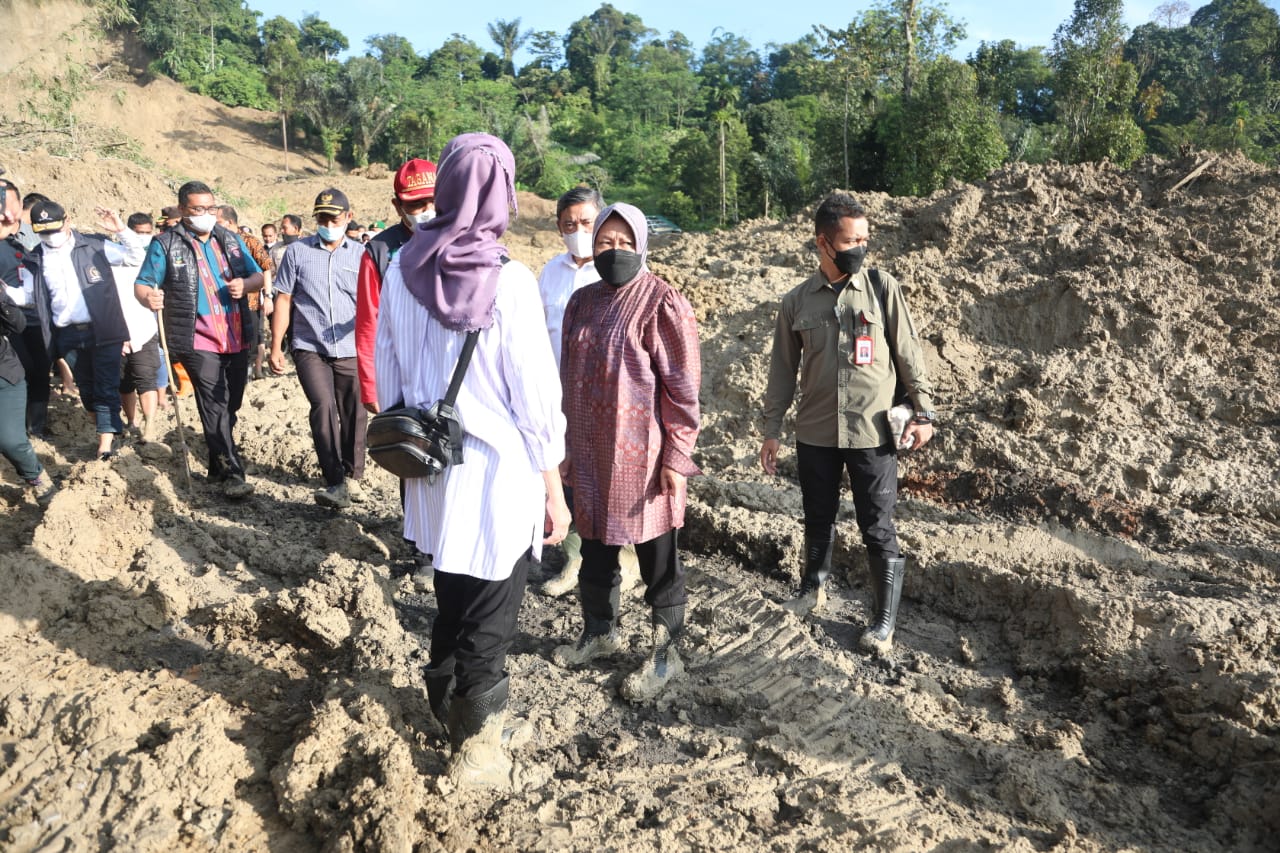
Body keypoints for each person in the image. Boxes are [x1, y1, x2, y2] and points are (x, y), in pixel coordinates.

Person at [376, 133, 569, 788]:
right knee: (491, 611)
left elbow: (386, 379)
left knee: (452, 591)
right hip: (497, 476)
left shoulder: (405, 270)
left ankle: (442, 695)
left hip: (430, 472)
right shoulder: (509, 281)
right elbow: (535, 399)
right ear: (505, 196)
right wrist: (554, 487)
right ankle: (478, 750)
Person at [759, 192, 936, 655]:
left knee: (877, 524)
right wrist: (771, 429)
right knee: (816, 517)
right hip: (816, 431)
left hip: (871, 434)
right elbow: (782, 370)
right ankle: (811, 589)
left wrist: (925, 412)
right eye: (849, 240)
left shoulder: (882, 289)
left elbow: (908, 354)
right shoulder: (796, 302)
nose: (859, 247)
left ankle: (882, 621)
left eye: (864, 239)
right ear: (823, 242)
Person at [553, 202, 702, 703]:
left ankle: (667, 650)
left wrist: (677, 459)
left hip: (645, 459)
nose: (612, 252)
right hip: (589, 453)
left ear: (641, 245)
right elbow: (566, 377)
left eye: (623, 243)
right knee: (593, 549)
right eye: (604, 243)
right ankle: (600, 631)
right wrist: (566, 446)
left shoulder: (663, 302)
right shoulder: (581, 302)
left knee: (657, 556)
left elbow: (682, 390)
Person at [535, 186, 643, 598]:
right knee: (568, 478)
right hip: (559, 393)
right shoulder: (549, 274)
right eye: (569, 224)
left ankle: (628, 560)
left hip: (610, 397)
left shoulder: (618, 268)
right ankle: (575, 560)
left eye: (586, 223)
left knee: (615, 477)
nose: (577, 231)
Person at [135, 180, 264, 499]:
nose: (206, 214)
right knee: (214, 402)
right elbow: (142, 284)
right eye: (198, 209)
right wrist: (148, 297)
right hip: (196, 338)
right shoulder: (165, 244)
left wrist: (245, 285)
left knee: (230, 404)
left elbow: (258, 274)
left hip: (235, 335)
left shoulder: (231, 240)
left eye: (211, 208)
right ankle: (234, 472)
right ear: (182, 210)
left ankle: (217, 464)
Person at [269, 188, 367, 509]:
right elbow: (283, 299)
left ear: (348, 218)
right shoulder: (297, 252)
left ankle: (354, 476)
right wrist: (275, 346)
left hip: (351, 348)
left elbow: (371, 305)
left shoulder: (362, 256)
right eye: (322, 218)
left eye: (333, 218)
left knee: (354, 411)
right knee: (323, 406)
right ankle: (335, 479)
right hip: (309, 345)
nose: (327, 223)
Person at [28, 200, 146, 460]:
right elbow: (28, 294)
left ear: (67, 221)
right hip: (67, 334)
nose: (51, 236)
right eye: (44, 232)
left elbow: (136, 257)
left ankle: (105, 446)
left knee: (106, 384)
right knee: (87, 389)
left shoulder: (94, 245)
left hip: (102, 328)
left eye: (55, 229)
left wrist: (121, 231)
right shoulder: (35, 257)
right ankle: (110, 429)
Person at [356, 157, 436, 416]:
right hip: (401, 369)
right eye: (416, 204)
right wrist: (370, 385)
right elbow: (370, 321)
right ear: (397, 205)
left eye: (433, 200)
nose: (428, 209)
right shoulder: (379, 252)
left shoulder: (461, 242)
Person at [0, 180, 56, 503]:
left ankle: (37, 477)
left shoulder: (21, 248)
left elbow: (17, 320)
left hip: (6, 367)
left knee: (10, 439)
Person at [112, 212, 163, 443]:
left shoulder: (155, 257)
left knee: (146, 378)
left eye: (147, 233)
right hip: (118, 329)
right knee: (124, 382)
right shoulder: (113, 257)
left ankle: (149, 423)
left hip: (144, 328)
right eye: (138, 233)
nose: (143, 237)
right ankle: (131, 421)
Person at [217, 205, 273, 379]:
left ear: (230, 222)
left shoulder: (249, 241)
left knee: (251, 340)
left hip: (250, 300)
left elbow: (266, 268)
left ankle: (248, 372)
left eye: (218, 222)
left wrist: (268, 296)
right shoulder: (215, 241)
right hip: (225, 302)